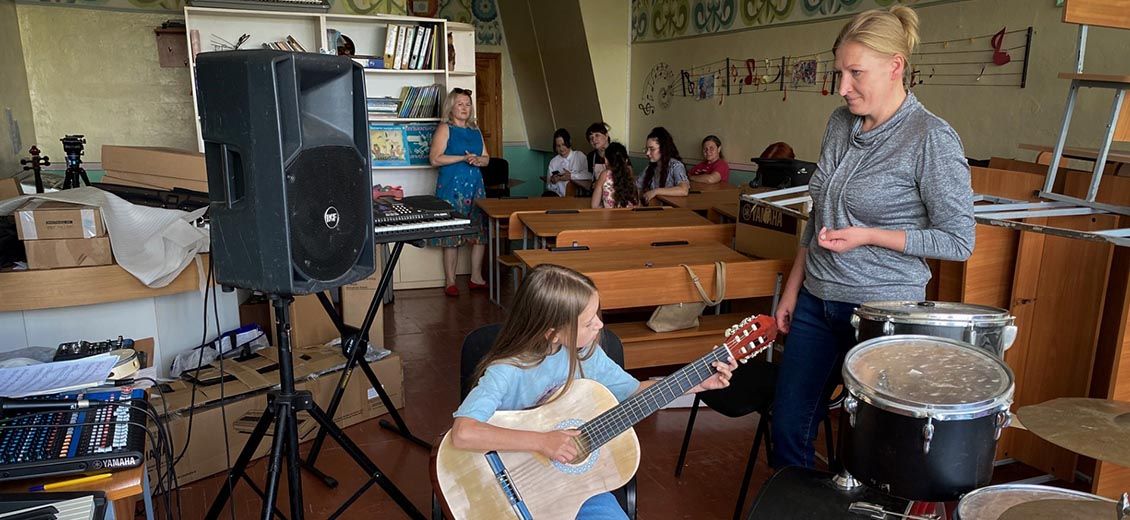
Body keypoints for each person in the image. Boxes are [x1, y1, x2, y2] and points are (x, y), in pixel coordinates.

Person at [770, 5, 975, 470]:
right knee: (786, 428)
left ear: (894, 66)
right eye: (840, 71)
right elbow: (817, 213)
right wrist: (793, 287)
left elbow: (959, 241)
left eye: (855, 72)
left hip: (883, 314)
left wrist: (869, 236)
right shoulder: (839, 123)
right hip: (815, 305)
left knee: (867, 453)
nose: (843, 86)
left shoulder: (931, 138)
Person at [449, 264, 736, 519]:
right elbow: (463, 433)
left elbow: (635, 394)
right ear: (551, 333)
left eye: (597, 314)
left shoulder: (586, 353)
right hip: (512, 494)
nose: (600, 325)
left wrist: (695, 383)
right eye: (588, 322)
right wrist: (542, 441)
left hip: (576, 489)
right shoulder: (507, 370)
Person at [429, 88, 489, 297]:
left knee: (480, 232)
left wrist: (477, 159)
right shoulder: (446, 128)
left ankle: (476, 277)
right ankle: (451, 281)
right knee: (452, 234)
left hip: (475, 187)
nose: (465, 108)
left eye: (468, 104)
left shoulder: (476, 130)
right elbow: (435, 159)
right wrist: (462, 158)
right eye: (460, 104)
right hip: (451, 188)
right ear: (451, 108)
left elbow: (486, 158)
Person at [638, 127, 689, 203]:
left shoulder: (676, 165)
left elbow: (684, 190)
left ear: (663, 148)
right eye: (646, 149)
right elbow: (637, 185)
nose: (647, 153)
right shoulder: (651, 167)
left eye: (652, 149)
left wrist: (655, 191)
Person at [591, 142, 639, 209]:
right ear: (626, 160)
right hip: (630, 217)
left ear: (606, 160)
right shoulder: (629, 173)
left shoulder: (605, 175)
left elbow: (594, 205)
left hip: (609, 217)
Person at [545, 128, 591, 197]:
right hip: (559, 199)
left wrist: (571, 176)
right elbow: (549, 187)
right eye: (558, 146)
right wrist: (553, 182)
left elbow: (589, 175)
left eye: (563, 144)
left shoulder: (579, 156)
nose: (561, 149)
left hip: (578, 198)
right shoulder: (553, 162)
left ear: (569, 142)